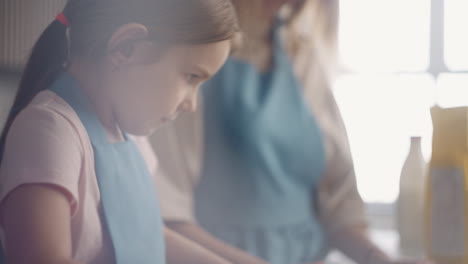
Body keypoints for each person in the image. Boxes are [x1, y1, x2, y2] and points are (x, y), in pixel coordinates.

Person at [151, 1, 432, 264]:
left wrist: (376, 257)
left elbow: (339, 200)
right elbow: (168, 215)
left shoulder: (304, 57)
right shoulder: (193, 63)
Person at [0, 0, 238, 263]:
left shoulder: (132, 138)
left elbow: (147, 235)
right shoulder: (48, 130)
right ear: (126, 47)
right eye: (191, 77)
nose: (191, 105)